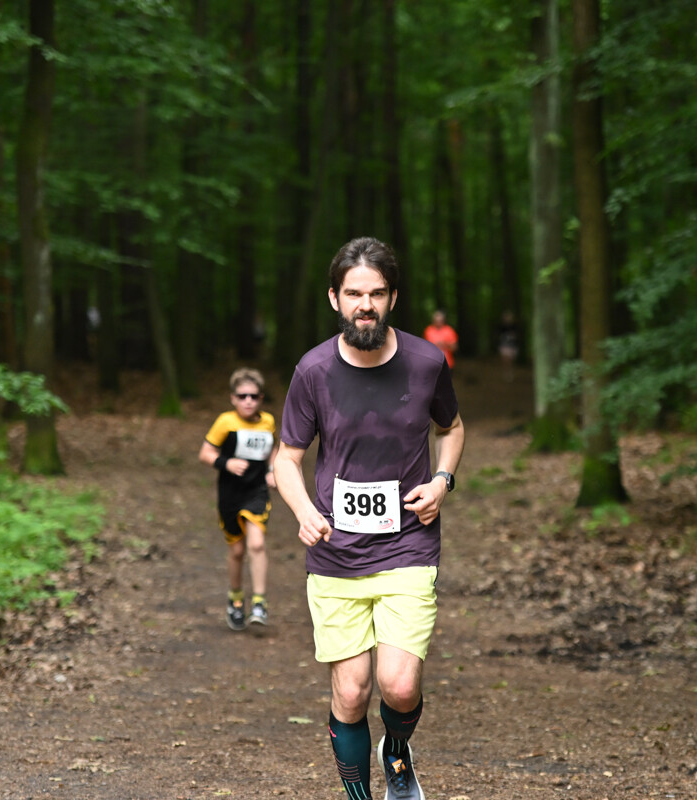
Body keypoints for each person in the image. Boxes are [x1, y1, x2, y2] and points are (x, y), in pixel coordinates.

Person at [274, 236, 465, 800]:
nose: (365, 304)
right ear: (334, 298)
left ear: (393, 297)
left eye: (376, 293)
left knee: (399, 686)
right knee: (353, 695)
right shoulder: (312, 370)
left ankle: (398, 750)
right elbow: (287, 459)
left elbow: (450, 429)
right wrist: (304, 511)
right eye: (354, 293)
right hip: (335, 552)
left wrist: (442, 481)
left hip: (408, 544)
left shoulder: (428, 362)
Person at [198, 368, 278, 631]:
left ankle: (259, 603)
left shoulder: (268, 422)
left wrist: (273, 471)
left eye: (253, 396)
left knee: (256, 544)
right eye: (242, 396)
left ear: (261, 398)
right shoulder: (225, 422)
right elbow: (206, 453)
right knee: (237, 550)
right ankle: (235, 600)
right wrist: (227, 462)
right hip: (231, 493)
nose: (248, 401)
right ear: (233, 398)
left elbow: (273, 450)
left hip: (256, 492)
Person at [496, 309, 520, 382]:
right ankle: (506, 374)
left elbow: (517, 336)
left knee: (510, 361)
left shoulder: (515, 326)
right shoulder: (501, 327)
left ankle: (510, 374)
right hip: (504, 345)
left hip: (512, 346)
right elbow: (498, 336)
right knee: (505, 360)